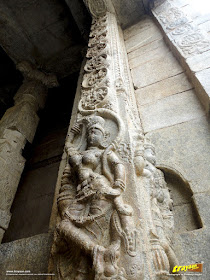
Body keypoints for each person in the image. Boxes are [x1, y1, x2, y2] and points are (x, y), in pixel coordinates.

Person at [54, 116, 135, 280]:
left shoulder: (104, 153)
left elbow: (118, 165)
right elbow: (69, 158)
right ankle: (95, 251)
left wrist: (118, 185)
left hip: (100, 192)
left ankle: (84, 272)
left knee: (93, 231)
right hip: (80, 196)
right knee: (64, 225)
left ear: (104, 137)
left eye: (96, 132)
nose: (92, 135)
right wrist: (72, 137)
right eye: (90, 132)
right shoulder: (79, 153)